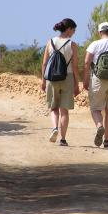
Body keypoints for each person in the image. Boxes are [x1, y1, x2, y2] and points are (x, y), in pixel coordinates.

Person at [41, 18, 80, 146]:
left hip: (51, 78)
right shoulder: (72, 44)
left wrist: (43, 81)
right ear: (68, 29)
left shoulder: (50, 42)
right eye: (73, 30)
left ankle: (54, 129)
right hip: (67, 78)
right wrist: (76, 84)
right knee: (64, 111)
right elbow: (74, 67)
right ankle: (63, 139)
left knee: (53, 108)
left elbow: (45, 63)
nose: (74, 32)